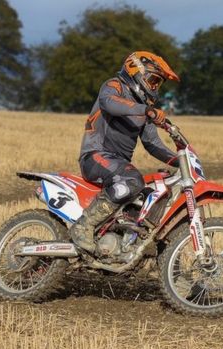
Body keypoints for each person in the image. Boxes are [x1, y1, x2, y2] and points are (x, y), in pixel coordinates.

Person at [69, 51, 180, 254]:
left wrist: (180, 160)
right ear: (135, 70)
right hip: (95, 156)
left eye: (158, 84)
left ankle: (126, 243)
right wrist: (146, 111)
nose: (155, 87)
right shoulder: (114, 86)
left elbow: (152, 144)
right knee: (131, 179)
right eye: (153, 80)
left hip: (117, 165)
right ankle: (82, 226)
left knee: (153, 193)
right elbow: (109, 103)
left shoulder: (144, 107)